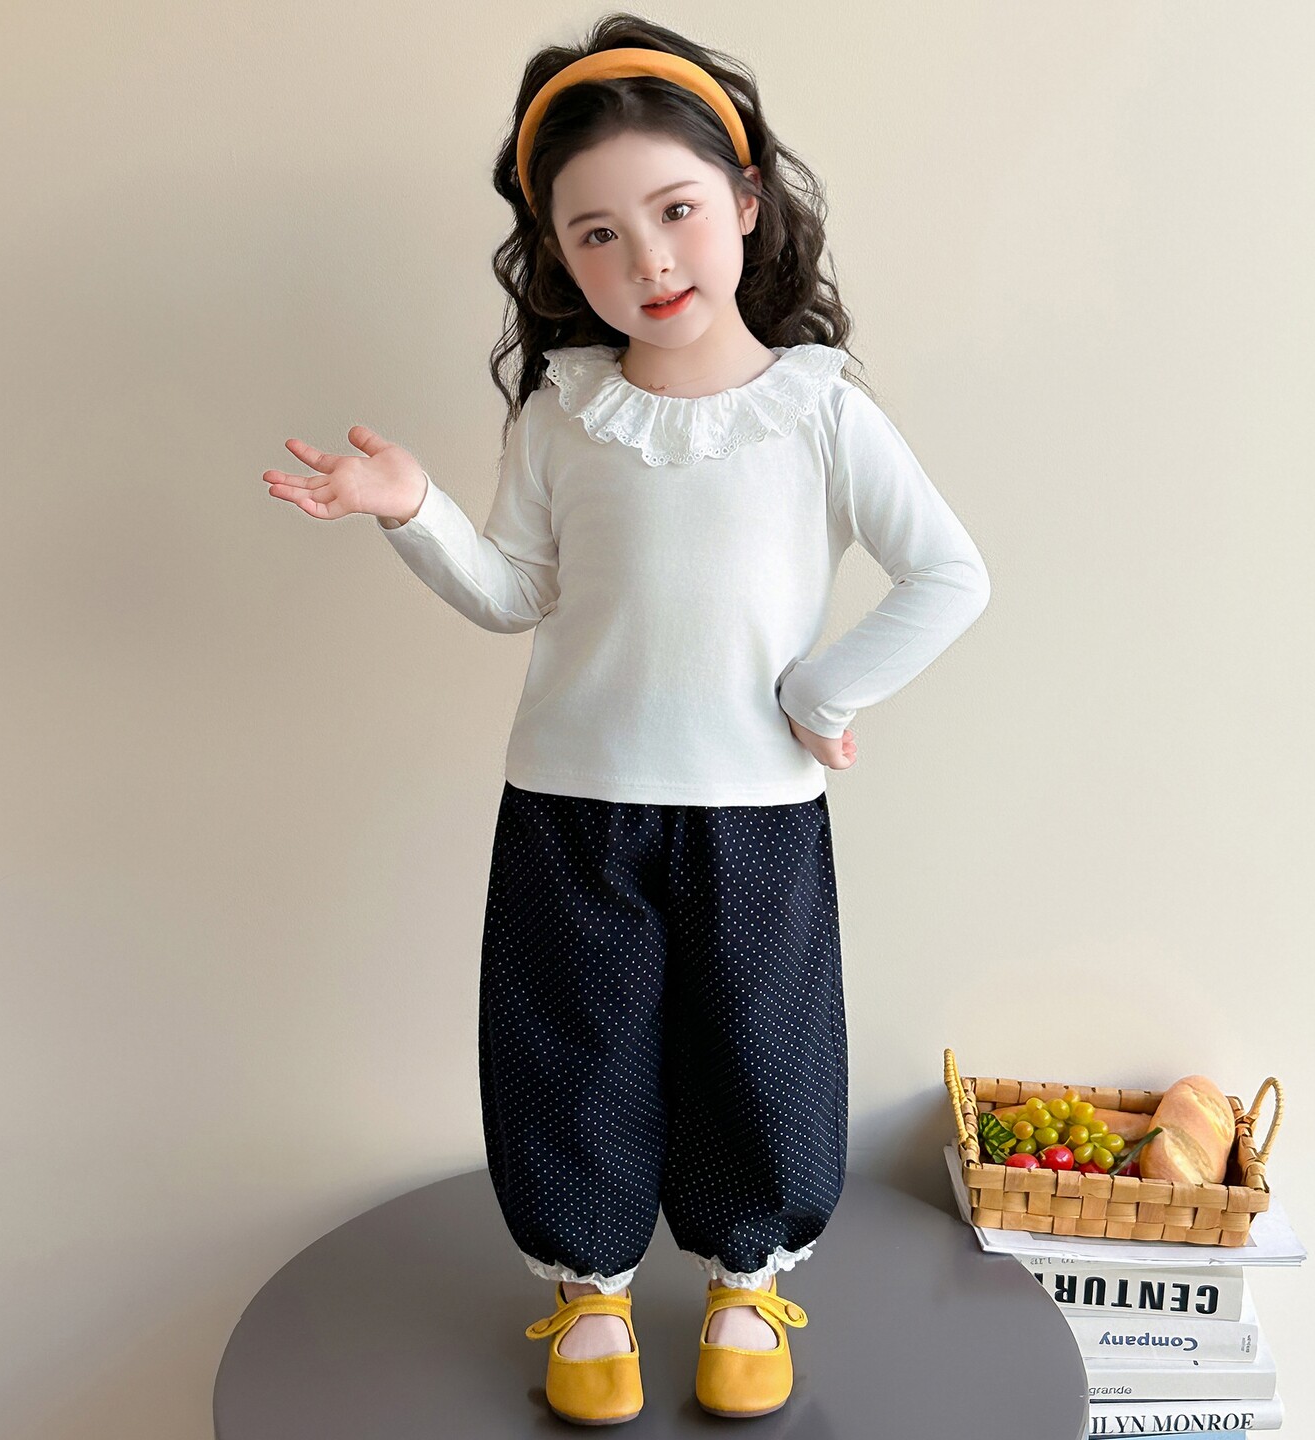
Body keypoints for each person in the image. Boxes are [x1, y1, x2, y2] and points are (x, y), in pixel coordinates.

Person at [262, 14, 991, 1424]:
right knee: (570, 1049)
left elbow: (950, 575)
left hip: (758, 812)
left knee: (760, 1052)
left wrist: (821, 693)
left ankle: (746, 1283)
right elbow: (512, 593)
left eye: (675, 211)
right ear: (554, 256)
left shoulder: (821, 412)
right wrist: (412, 510)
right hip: (569, 802)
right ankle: (588, 1292)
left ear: (747, 203)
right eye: (596, 234)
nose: (646, 260)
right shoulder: (563, 416)